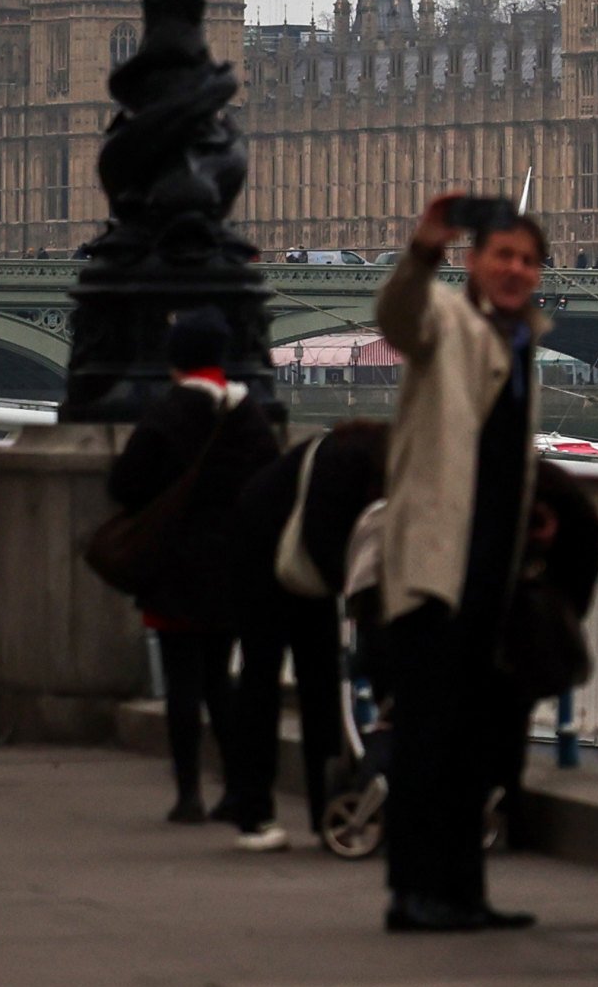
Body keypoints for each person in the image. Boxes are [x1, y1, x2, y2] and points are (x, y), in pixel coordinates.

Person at [373, 192, 552, 932]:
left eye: (528, 260)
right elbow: (397, 316)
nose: (515, 270)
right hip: (435, 563)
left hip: (490, 568)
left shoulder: (523, 341)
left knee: (472, 740)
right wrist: (423, 249)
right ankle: (413, 893)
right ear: (474, 263)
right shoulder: (444, 319)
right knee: (424, 737)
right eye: (503, 255)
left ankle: (463, 891)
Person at [109, 309, 284, 822]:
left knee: (182, 683)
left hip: (174, 564)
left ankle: (188, 793)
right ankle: (235, 788)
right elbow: (270, 481)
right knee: (219, 680)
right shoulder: (246, 413)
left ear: (175, 358)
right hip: (231, 565)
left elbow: (123, 485)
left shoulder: (165, 413)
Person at [218, 419, 384, 851]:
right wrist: (358, 592)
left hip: (291, 557)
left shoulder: (357, 456)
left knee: (321, 684)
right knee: (265, 681)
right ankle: (255, 811)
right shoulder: (349, 463)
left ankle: (323, 809)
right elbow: (323, 537)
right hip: (264, 561)